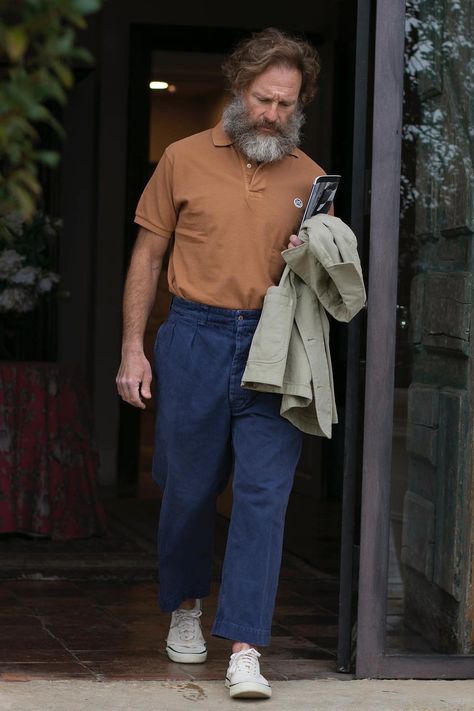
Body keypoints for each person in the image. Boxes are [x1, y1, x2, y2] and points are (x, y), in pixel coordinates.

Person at [116, 27, 329, 700]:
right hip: (195, 337)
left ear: (301, 104)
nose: (273, 114)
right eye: (264, 99)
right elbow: (147, 259)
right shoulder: (181, 158)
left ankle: (245, 645)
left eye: (286, 105)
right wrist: (132, 348)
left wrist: (314, 250)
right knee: (186, 488)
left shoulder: (312, 176)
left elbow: (323, 285)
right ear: (240, 89)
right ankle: (184, 604)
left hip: (274, 346)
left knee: (265, 496)